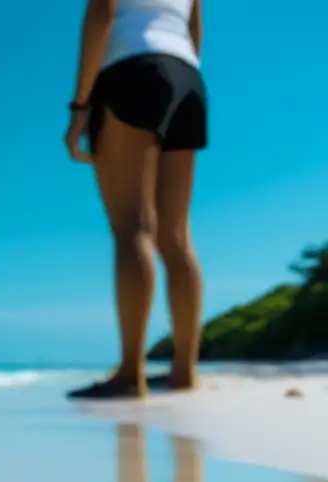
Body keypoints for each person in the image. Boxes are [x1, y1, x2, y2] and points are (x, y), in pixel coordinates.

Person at [64, 0, 207, 399]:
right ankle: (184, 371)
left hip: (131, 67)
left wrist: (80, 105)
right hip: (187, 77)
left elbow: (102, 12)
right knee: (176, 237)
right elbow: (194, 29)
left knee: (133, 228)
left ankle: (131, 373)